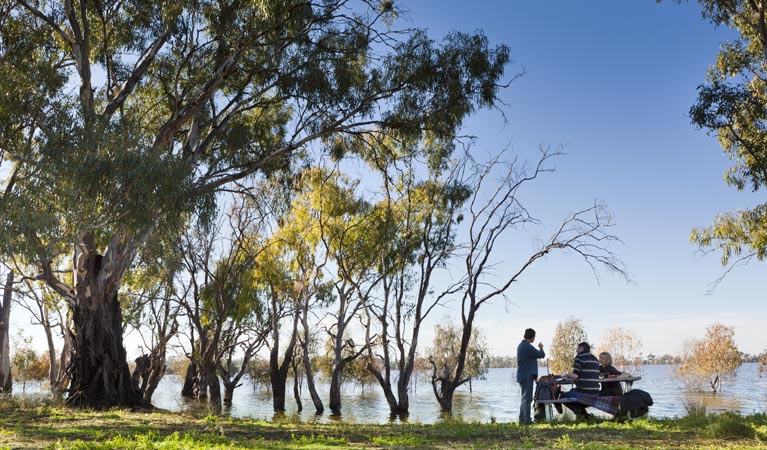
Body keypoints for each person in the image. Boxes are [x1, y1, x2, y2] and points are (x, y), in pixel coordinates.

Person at [561, 341, 600, 420]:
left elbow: (575, 375)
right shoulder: (595, 358)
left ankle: (581, 413)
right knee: (573, 392)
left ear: (582, 348)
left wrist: (567, 375)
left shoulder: (579, 357)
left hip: (584, 392)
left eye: (577, 348)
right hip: (595, 393)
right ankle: (584, 415)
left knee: (562, 397)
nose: (576, 350)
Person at [516, 328, 545, 424]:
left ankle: (522, 420)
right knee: (527, 399)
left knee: (524, 398)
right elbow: (541, 355)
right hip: (526, 376)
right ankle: (527, 420)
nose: (534, 339)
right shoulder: (527, 346)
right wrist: (541, 347)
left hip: (523, 375)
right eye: (534, 337)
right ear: (532, 337)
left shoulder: (522, 345)